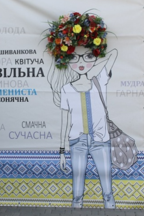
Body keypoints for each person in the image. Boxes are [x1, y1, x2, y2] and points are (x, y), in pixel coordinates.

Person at [46, 12, 118, 209]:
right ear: (66, 60)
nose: (81, 62)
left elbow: (112, 54)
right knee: (77, 190)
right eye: (74, 57)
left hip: (101, 139)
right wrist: (62, 151)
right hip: (76, 140)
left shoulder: (99, 80)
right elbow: (64, 120)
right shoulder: (66, 88)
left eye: (87, 56)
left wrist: (94, 63)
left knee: (108, 190)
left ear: (94, 57)